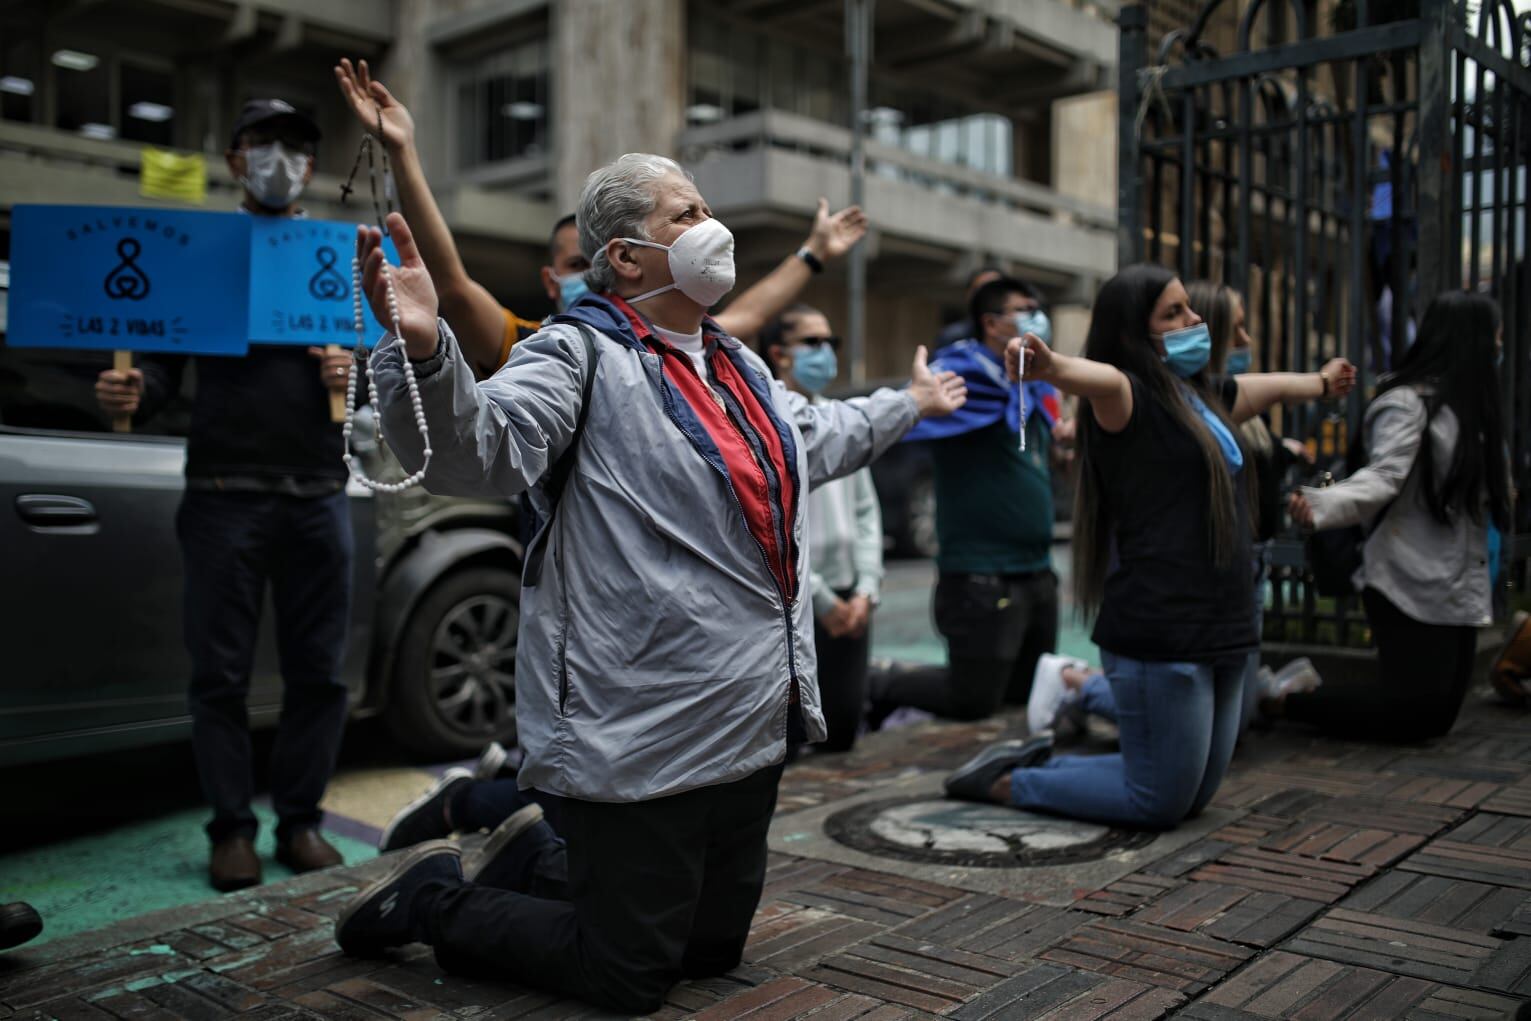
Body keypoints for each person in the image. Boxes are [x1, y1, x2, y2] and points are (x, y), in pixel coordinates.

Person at [333, 153, 966, 1014]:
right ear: (624, 255)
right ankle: (435, 895)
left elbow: (821, 433)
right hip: (640, 730)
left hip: (748, 720)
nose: (712, 227)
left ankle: (540, 858)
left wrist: (910, 401)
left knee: (706, 953)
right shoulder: (575, 352)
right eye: (684, 213)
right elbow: (477, 451)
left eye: (704, 206)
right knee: (627, 975)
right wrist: (425, 350)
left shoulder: (737, 366)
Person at [944, 264, 1356, 830]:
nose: (1195, 320)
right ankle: (1011, 780)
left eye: (1190, 307)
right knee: (1156, 801)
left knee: (1193, 798)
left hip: (1228, 623)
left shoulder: (1203, 398)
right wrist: (1048, 365)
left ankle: (1064, 756)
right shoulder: (1128, 397)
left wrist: (1320, 381)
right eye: (1174, 313)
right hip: (1164, 628)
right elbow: (1094, 376)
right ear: (1136, 332)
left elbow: (1275, 385)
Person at [93, 100, 353, 891]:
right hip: (221, 494)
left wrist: (357, 378)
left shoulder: (336, 255)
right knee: (220, 674)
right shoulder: (204, 254)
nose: (282, 158)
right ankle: (232, 829)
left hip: (318, 491)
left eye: (298, 146)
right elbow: (166, 370)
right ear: (235, 158)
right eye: (265, 143)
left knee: (320, 673)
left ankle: (301, 820)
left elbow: (377, 365)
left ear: (312, 166)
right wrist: (128, 390)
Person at [334, 59, 868, 375]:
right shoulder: (542, 347)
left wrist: (812, 253)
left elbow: (749, 313)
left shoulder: (679, 339)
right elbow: (450, 284)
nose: (596, 274)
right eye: (578, 263)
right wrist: (403, 153)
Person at [1283, 290, 1510, 742]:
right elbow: (1383, 476)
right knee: (1411, 714)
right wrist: (1321, 505)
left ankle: (1294, 698)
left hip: (1458, 577)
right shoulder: (1406, 403)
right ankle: (1284, 699)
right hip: (1405, 576)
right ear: (1473, 341)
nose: (1500, 347)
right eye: (1496, 337)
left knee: (1438, 717)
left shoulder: (1473, 409)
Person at [866, 276, 1064, 724]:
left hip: (1035, 568)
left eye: (1038, 305)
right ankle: (876, 681)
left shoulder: (1030, 383)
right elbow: (906, 417)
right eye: (1024, 308)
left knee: (1027, 696)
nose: (1037, 316)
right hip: (982, 573)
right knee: (972, 698)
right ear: (992, 323)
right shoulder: (959, 379)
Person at [759, 304, 883, 752]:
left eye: (830, 342)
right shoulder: (765, 423)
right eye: (812, 342)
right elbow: (770, 528)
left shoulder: (840, 418)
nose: (825, 352)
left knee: (843, 730)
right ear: (779, 353)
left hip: (851, 602)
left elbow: (867, 511)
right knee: (789, 741)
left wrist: (865, 590)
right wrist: (823, 599)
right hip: (797, 605)